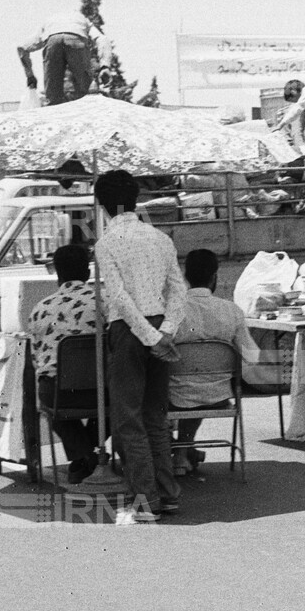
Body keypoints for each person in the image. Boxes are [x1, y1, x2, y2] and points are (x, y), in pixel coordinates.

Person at [94, 170, 187, 522]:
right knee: (155, 417)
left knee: (128, 419)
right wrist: (165, 331)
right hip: (161, 327)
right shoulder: (161, 238)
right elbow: (178, 290)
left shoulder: (107, 243)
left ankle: (146, 500)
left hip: (129, 331)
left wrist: (148, 335)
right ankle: (167, 493)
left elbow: (118, 296)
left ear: (103, 206)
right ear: (135, 199)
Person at [168, 249, 260, 476]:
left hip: (175, 396)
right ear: (214, 277)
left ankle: (179, 452)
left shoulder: (172, 310)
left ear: (185, 277)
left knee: (179, 392)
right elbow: (253, 357)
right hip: (217, 396)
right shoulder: (232, 311)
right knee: (197, 390)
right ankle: (183, 452)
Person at [29, 244, 101, 485]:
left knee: (50, 399)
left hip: (60, 395)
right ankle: (88, 457)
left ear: (57, 274)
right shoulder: (105, 303)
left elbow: (37, 360)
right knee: (117, 403)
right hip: (102, 392)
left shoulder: (40, 310)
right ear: (88, 273)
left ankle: (84, 457)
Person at [17, 10, 111, 107]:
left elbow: (22, 48)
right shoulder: (84, 21)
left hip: (51, 38)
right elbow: (103, 39)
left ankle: (54, 114)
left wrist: (30, 75)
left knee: (53, 97)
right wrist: (105, 66)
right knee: (86, 92)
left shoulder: (48, 23)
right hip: (77, 37)